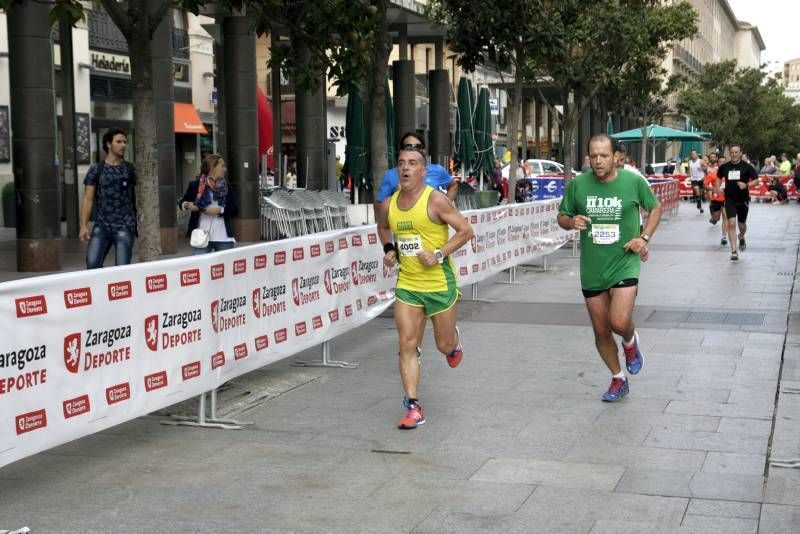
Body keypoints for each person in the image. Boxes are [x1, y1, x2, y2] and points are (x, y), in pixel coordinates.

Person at [557, 134, 662, 402]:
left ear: (616, 156)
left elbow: (655, 207)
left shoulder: (634, 182)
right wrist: (571, 222)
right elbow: (562, 215)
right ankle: (618, 378)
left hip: (624, 261)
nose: (598, 161)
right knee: (601, 329)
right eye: (593, 156)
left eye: (604, 155)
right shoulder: (578, 185)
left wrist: (643, 238)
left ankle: (629, 341)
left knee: (618, 322)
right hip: (593, 267)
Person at [378, 145, 474, 429]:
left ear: (423, 171)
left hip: (439, 284)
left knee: (442, 345)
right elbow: (383, 226)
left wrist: (439, 254)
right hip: (408, 284)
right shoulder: (390, 203)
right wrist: (389, 248)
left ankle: (453, 342)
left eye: (412, 164)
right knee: (406, 344)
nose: (405, 168)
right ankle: (413, 406)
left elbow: (466, 231)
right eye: (401, 164)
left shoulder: (436, 201)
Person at [79, 128, 138, 269]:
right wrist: (83, 225)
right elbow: (88, 199)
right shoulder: (96, 169)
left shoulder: (130, 169)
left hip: (125, 227)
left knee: (121, 271)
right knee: (92, 265)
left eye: (125, 142)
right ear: (108, 144)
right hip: (102, 227)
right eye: (118, 141)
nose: (123, 145)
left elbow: (138, 198)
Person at [178, 154, 238, 254]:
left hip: (223, 236)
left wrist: (221, 210)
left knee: (226, 268)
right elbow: (182, 203)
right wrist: (188, 205)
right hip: (201, 235)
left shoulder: (226, 186)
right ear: (212, 167)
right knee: (200, 266)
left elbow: (234, 209)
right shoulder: (195, 185)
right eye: (222, 166)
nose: (225, 169)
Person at [717, 143, 759, 261]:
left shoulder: (747, 167)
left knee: (741, 225)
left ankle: (741, 236)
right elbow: (718, 177)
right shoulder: (724, 167)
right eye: (732, 152)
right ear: (729, 153)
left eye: (736, 152)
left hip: (743, 200)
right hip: (729, 199)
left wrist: (746, 184)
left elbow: (756, 181)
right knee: (731, 223)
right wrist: (717, 187)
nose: (734, 154)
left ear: (740, 153)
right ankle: (734, 251)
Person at [704, 155, 728, 245]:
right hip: (716, 199)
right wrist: (712, 189)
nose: (722, 163)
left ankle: (724, 236)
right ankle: (714, 217)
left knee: (726, 217)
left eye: (724, 162)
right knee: (717, 218)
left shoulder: (730, 174)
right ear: (718, 163)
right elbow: (705, 184)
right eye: (720, 162)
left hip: (726, 199)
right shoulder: (713, 174)